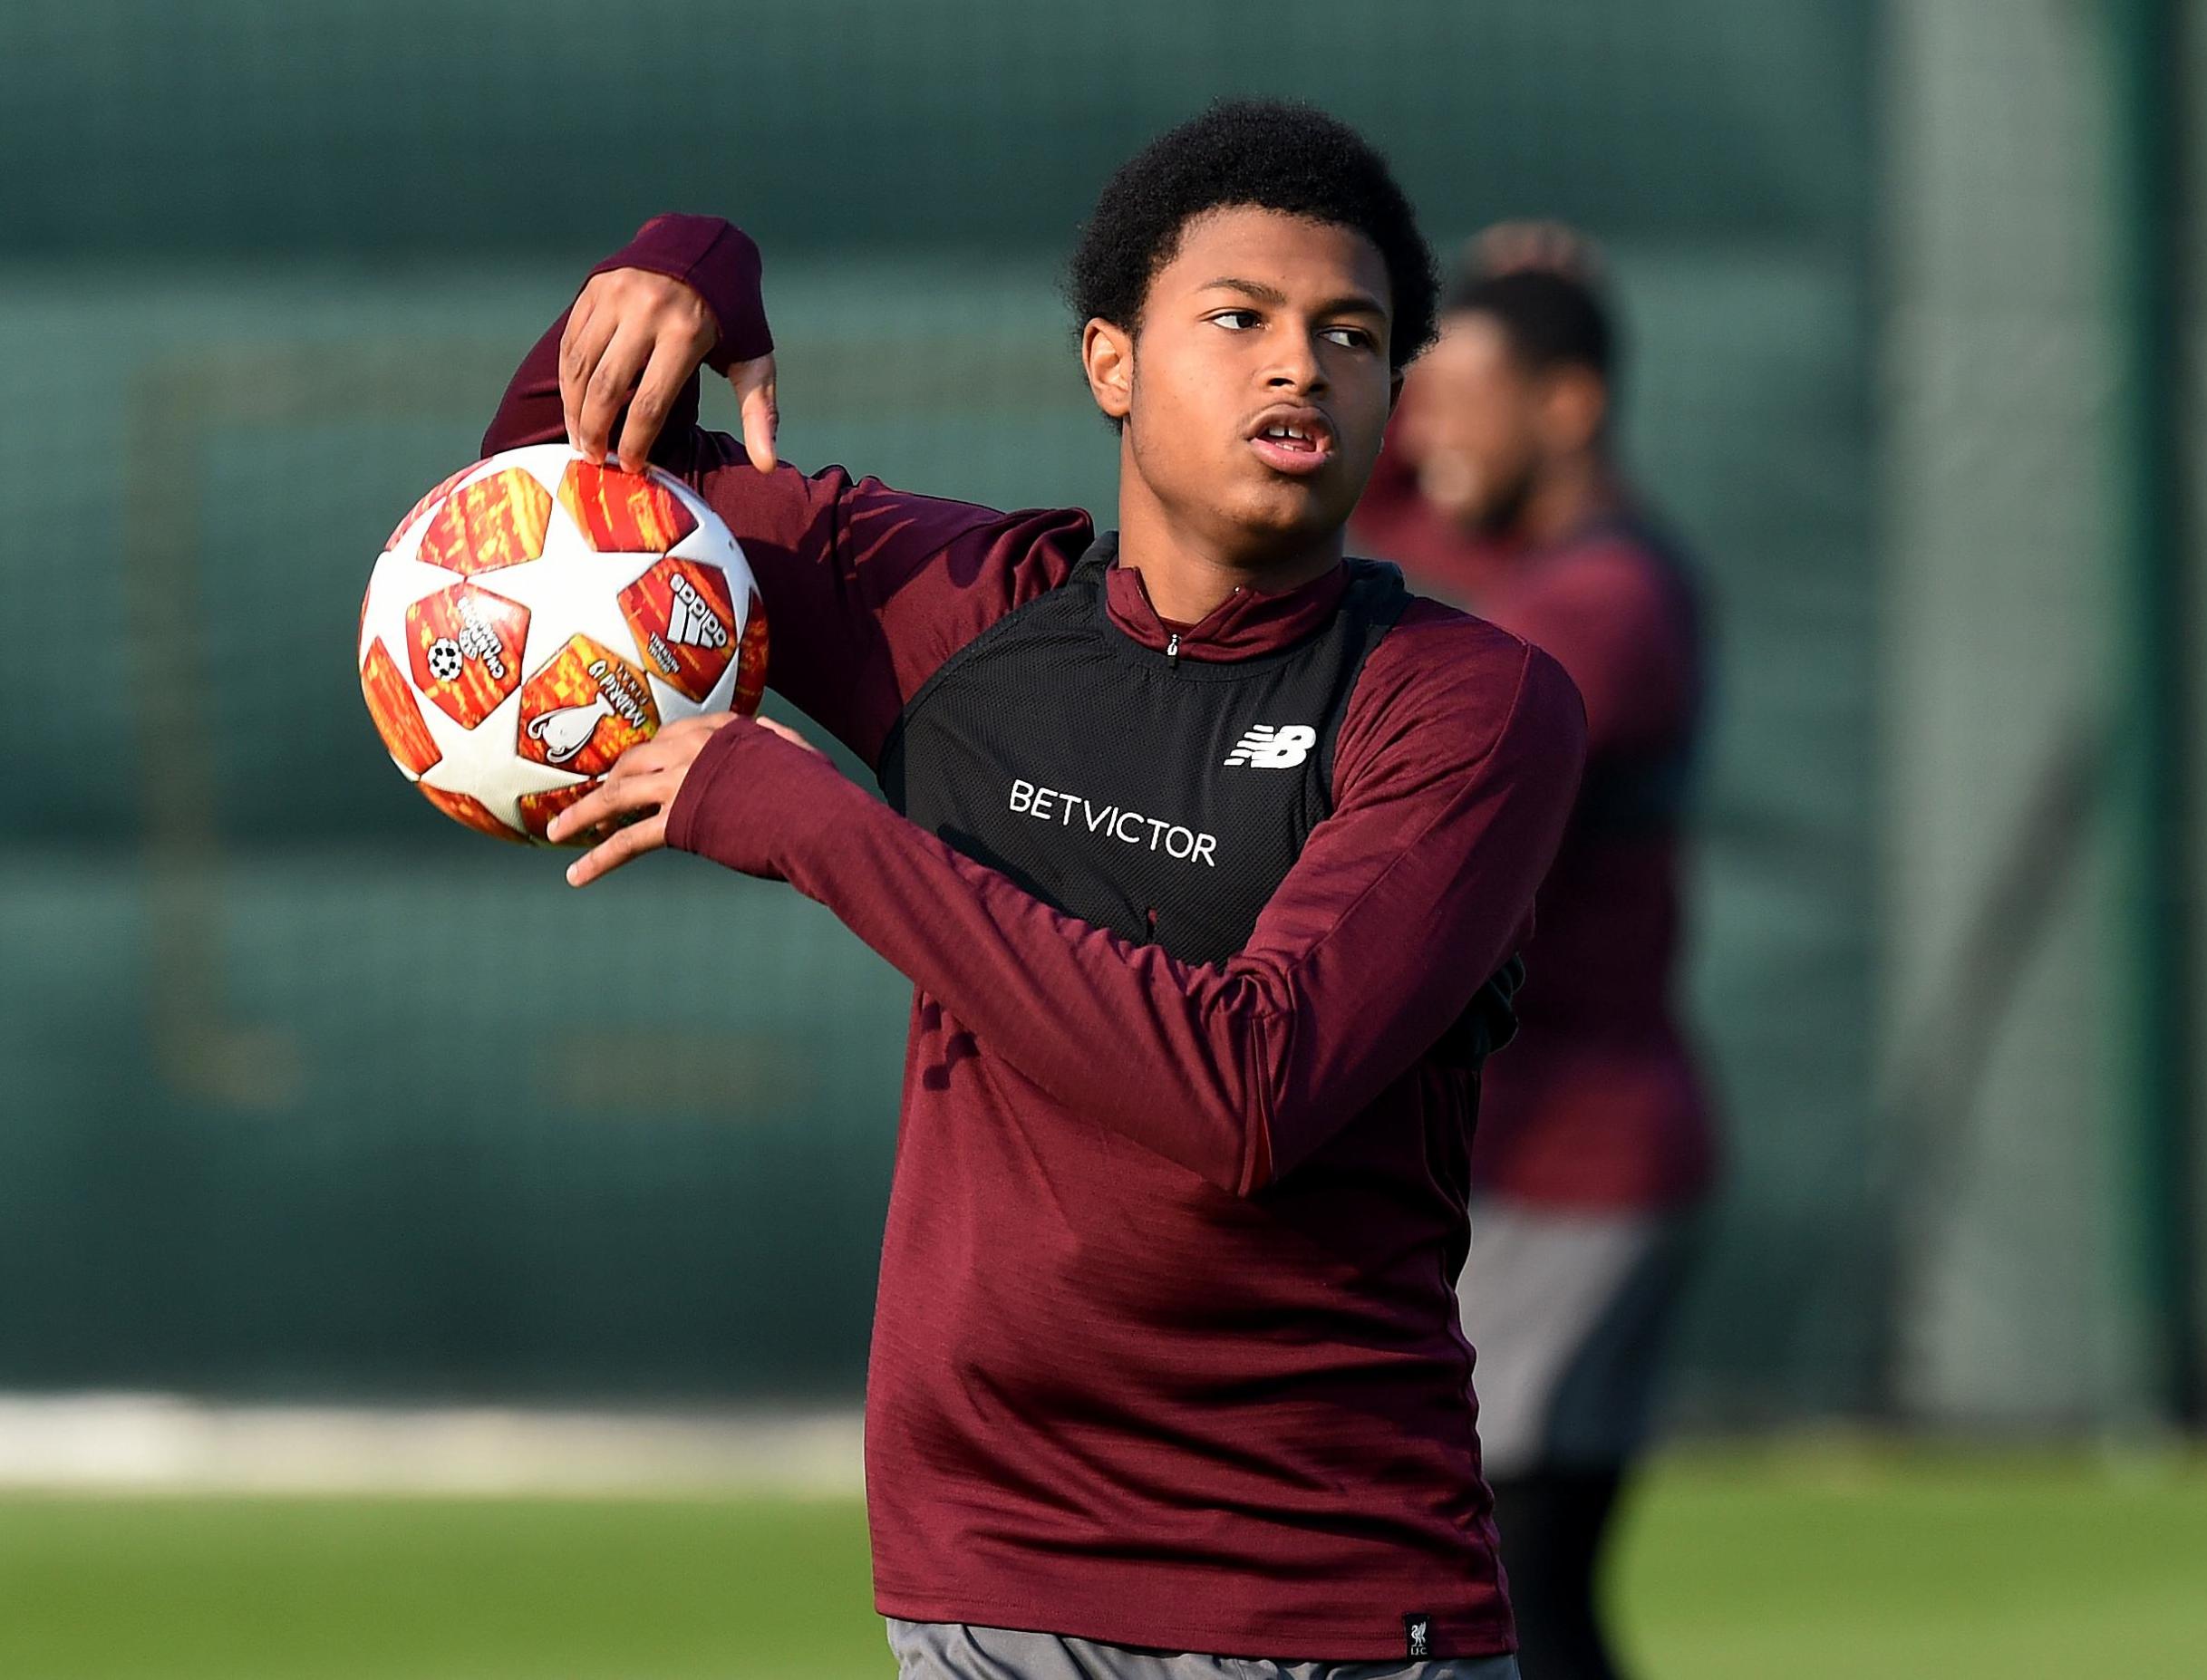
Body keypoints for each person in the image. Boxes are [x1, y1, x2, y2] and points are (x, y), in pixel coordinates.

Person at [480, 103, 1585, 1676]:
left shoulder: (1462, 703)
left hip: (1317, 1602)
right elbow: (541, 515)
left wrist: (816, 826)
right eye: (1238, 319)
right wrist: (682, 270)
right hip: (984, 1592)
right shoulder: (960, 615)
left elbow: (1244, 1092)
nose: (1300, 364)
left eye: (1352, 334)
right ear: (1109, 365)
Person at [1350, 241, 1718, 1680]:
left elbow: (1436, 711)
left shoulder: (1605, 604)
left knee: (1512, 1594)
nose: (1431, 429)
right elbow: (1375, 488)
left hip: (1578, 1163)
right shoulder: (1531, 561)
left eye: (1468, 396)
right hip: (1525, 1160)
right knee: (1497, 1593)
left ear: (1568, 407)